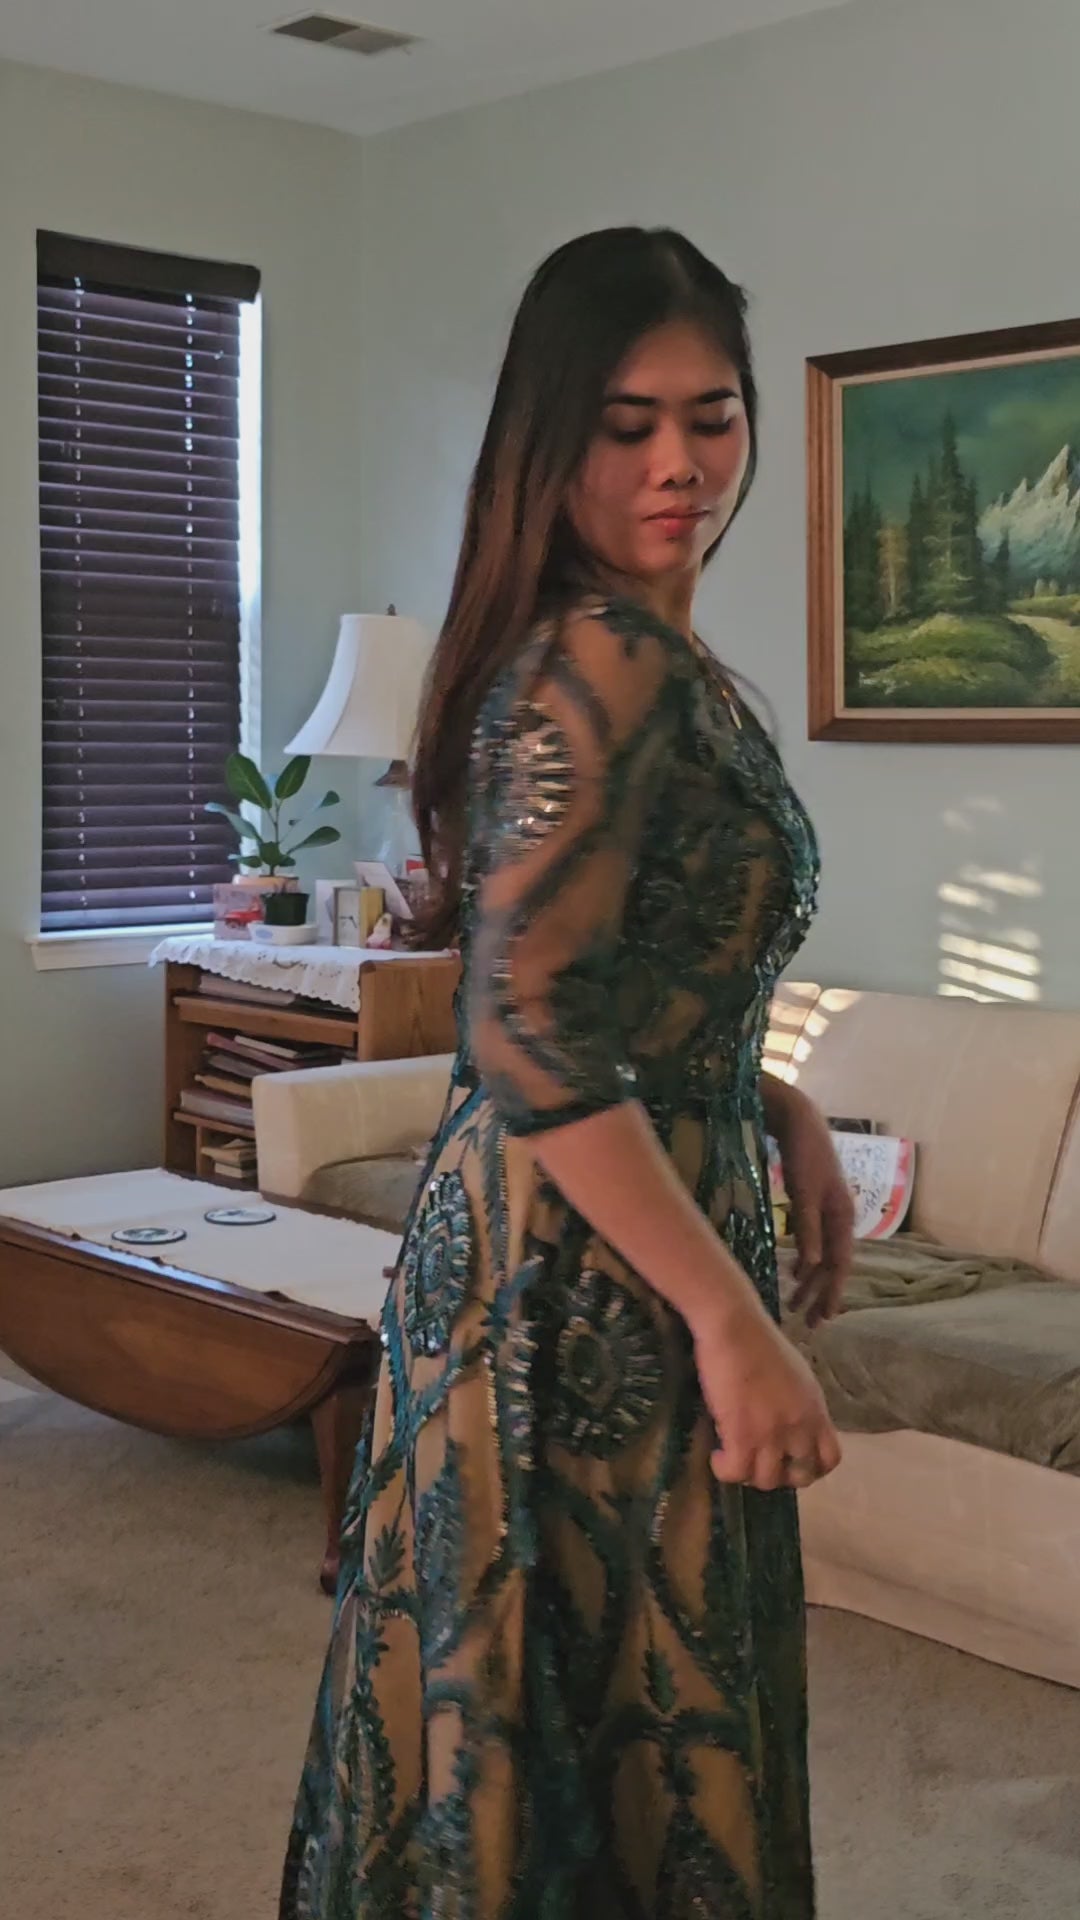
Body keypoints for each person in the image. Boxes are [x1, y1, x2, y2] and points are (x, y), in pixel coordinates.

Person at [280, 226, 854, 1920]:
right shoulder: (598, 658)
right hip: (575, 1278)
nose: (681, 463)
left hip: (616, 1222)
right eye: (627, 423)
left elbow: (618, 986)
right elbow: (527, 1037)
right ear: (551, 439)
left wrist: (778, 1104)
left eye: (713, 416)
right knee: (610, 1715)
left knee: (600, 1715)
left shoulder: (646, 658)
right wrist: (734, 1324)